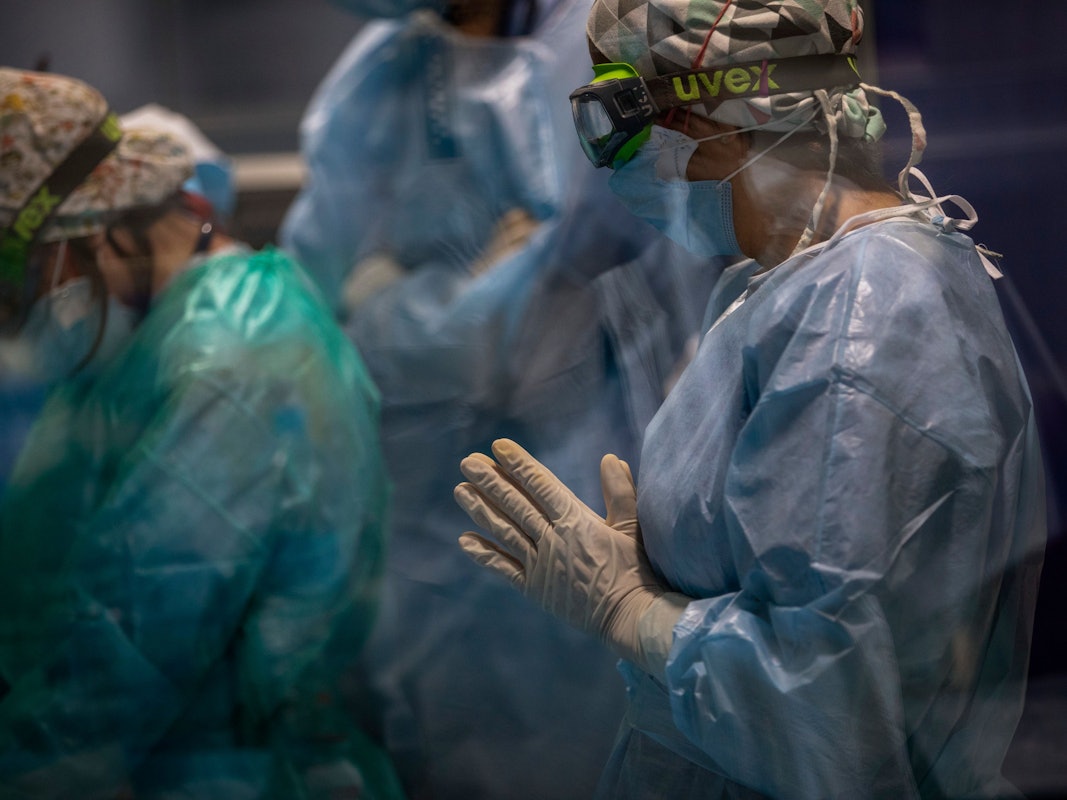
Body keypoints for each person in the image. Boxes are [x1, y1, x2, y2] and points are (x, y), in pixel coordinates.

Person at [453, 1, 1048, 797]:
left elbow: (823, 713)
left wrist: (630, 611)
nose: (618, 166)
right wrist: (669, 577)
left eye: (623, 124)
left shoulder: (858, 317)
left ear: (712, 121)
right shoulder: (794, 284)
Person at [280, 0, 727, 796]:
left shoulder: (608, 43)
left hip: (594, 485)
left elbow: (542, 324)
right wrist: (463, 303)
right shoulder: (378, 80)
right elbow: (311, 313)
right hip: (417, 511)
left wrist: (404, 304)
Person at [0, 67, 404, 799]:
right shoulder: (166, 331)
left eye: (25, 272)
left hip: (234, 772)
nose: (27, 301)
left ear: (83, 234)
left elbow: (134, 632)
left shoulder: (233, 355)